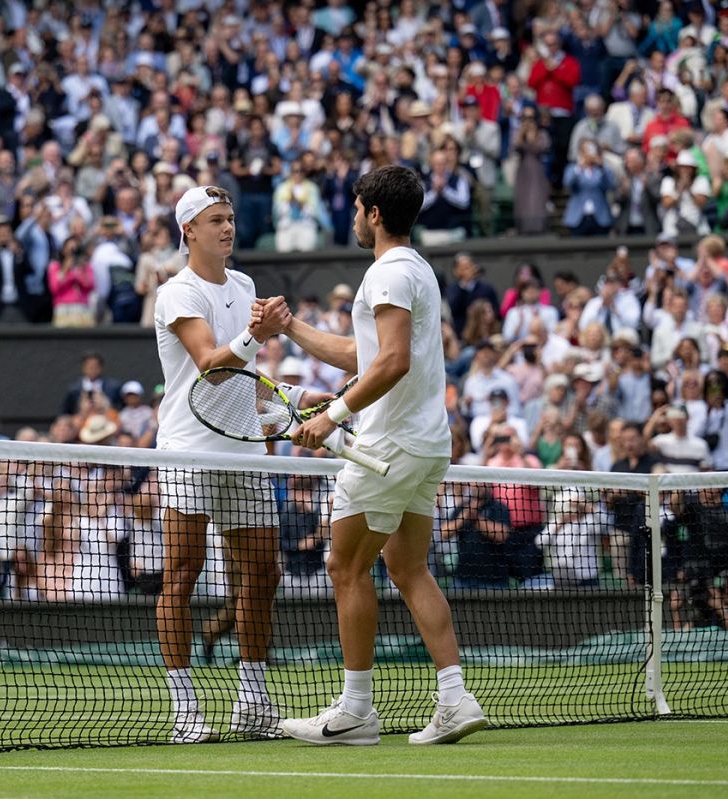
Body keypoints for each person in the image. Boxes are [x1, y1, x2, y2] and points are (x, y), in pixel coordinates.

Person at [279, 165, 487, 746]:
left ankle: (355, 711)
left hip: (386, 446)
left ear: (373, 213)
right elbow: (364, 353)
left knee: (345, 567)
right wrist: (292, 328)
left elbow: (391, 362)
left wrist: (331, 417)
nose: (351, 216)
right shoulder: (413, 269)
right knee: (407, 566)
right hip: (425, 446)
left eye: (355, 207)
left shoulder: (388, 273)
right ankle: (454, 698)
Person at [151, 184, 295, 743]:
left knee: (264, 571)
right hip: (189, 450)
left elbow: (239, 376)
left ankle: (253, 701)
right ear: (189, 230)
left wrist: (288, 398)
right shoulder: (176, 293)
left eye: (230, 218)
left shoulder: (245, 285)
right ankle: (186, 708)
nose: (227, 228)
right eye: (215, 220)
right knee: (182, 573)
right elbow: (211, 364)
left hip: (243, 449)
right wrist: (256, 334)